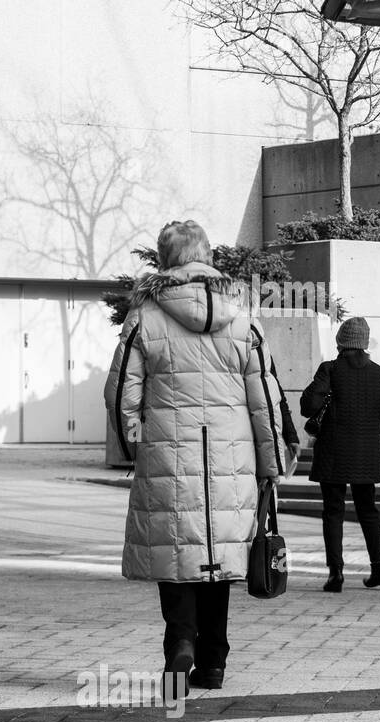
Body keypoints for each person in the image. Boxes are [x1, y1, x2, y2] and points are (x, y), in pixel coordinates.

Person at [105, 220, 287, 695]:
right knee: (218, 557)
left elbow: (122, 392)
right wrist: (272, 463)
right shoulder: (243, 316)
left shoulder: (145, 316)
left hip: (169, 453)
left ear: (166, 261)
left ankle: (180, 643)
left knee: (176, 553)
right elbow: (264, 396)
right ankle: (214, 664)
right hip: (233, 460)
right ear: (208, 258)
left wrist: (134, 447)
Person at [301, 316, 380, 592]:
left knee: (333, 511)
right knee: (368, 510)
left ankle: (336, 573)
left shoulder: (330, 369)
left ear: (341, 341)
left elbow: (308, 405)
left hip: (334, 451)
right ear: (364, 342)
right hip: (365, 452)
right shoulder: (377, 372)